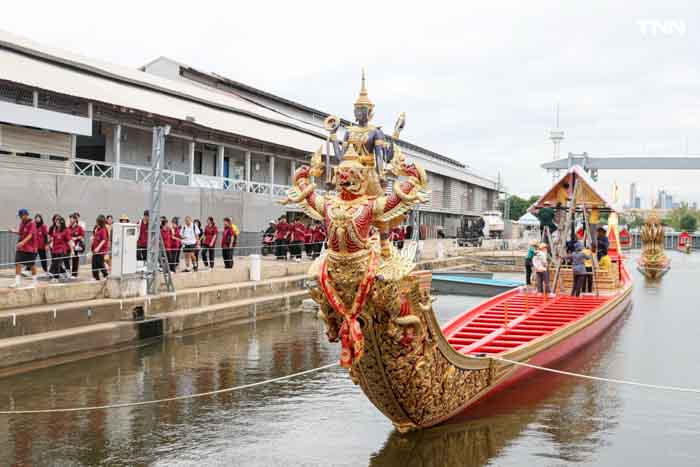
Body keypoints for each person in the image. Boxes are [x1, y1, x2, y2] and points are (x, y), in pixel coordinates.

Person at [11, 208, 38, 288]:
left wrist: (22, 242)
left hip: (31, 248)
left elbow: (30, 235)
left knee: (31, 264)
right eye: (19, 215)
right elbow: (21, 233)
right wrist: (14, 231)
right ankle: (17, 281)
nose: (20, 217)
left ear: (26, 215)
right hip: (22, 248)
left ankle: (34, 281)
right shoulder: (22, 223)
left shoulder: (32, 223)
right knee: (17, 262)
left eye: (21, 215)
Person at [48, 215, 72, 281]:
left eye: (58, 222)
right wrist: (50, 244)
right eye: (56, 222)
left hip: (62, 250)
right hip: (55, 249)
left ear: (61, 223)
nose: (56, 223)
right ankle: (64, 274)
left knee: (57, 263)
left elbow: (70, 241)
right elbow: (53, 239)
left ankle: (56, 277)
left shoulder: (66, 230)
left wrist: (72, 250)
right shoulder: (56, 230)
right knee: (55, 262)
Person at [91, 215, 109, 281]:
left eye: (97, 222)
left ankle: (105, 275)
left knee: (99, 263)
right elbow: (95, 239)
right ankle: (96, 277)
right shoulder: (97, 229)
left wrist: (98, 248)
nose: (96, 223)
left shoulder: (103, 230)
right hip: (95, 251)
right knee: (94, 264)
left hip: (101, 251)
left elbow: (104, 240)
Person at [68, 213, 85, 278]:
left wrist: (76, 238)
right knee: (67, 260)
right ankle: (68, 272)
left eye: (71, 218)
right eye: (70, 218)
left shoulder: (79, 228)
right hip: (69, 245)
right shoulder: (68, 227)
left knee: (75, 260)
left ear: (75, 219)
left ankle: (74, 274)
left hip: (76, 246)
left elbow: (82, 236)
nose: (70, 220)